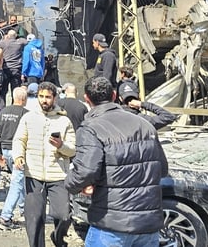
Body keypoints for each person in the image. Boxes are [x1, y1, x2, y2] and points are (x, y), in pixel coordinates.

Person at [65, 76, 168, 246]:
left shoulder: (91, 128)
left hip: (111, 224)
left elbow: (85, 172)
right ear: (114, 96)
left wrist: (72, 184)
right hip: (148, 223)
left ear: (86, 99)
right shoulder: (145, 125)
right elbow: (162, 169)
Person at [12, 82, 75, 247]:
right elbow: (19, 140)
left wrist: (61, 145)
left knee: (64, 215)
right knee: (34, 220)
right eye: (41, 96)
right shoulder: (28, 117)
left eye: (47, 97)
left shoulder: (64, 121)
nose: (44, 100)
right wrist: (18, 156)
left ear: (54, 98)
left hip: (58, 175)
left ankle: (58, 237)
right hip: (33, 175)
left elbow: (72, 150)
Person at [0, 87, 29, 229]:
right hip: (18, 152)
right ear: (25, 99)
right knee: (17, 183)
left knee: (18, 180)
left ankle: (23, 210)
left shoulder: (3, 112)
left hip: (5, 149)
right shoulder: (26, 114)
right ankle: (5, 217)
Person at [0, 30, 28, 101]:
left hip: (6, 69)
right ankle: (15, 105)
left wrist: (4, 38)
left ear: (8, 36)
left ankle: (3, 105)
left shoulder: (3, 43)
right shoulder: (19, 42)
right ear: (16, 36)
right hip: (17, 69)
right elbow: (26, 41)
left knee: (4, 90)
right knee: (15, 90)